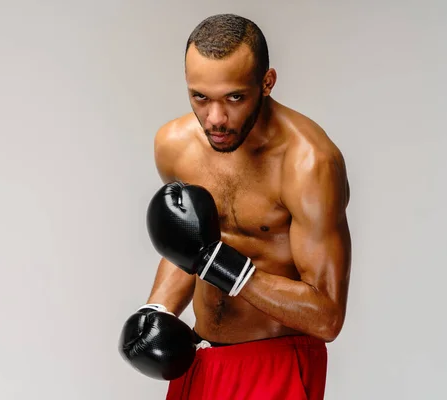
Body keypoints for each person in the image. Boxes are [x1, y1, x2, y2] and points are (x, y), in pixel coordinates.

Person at [118, 13, 352, 400]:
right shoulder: (175, 146)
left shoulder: (309, 163)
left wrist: (224, 268)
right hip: (202, 358)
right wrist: (157, 309)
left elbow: (326, 318)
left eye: (235, 98)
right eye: (200, 98)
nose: (216, 119)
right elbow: (190, 248)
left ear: (267, 82)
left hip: (276, 362)